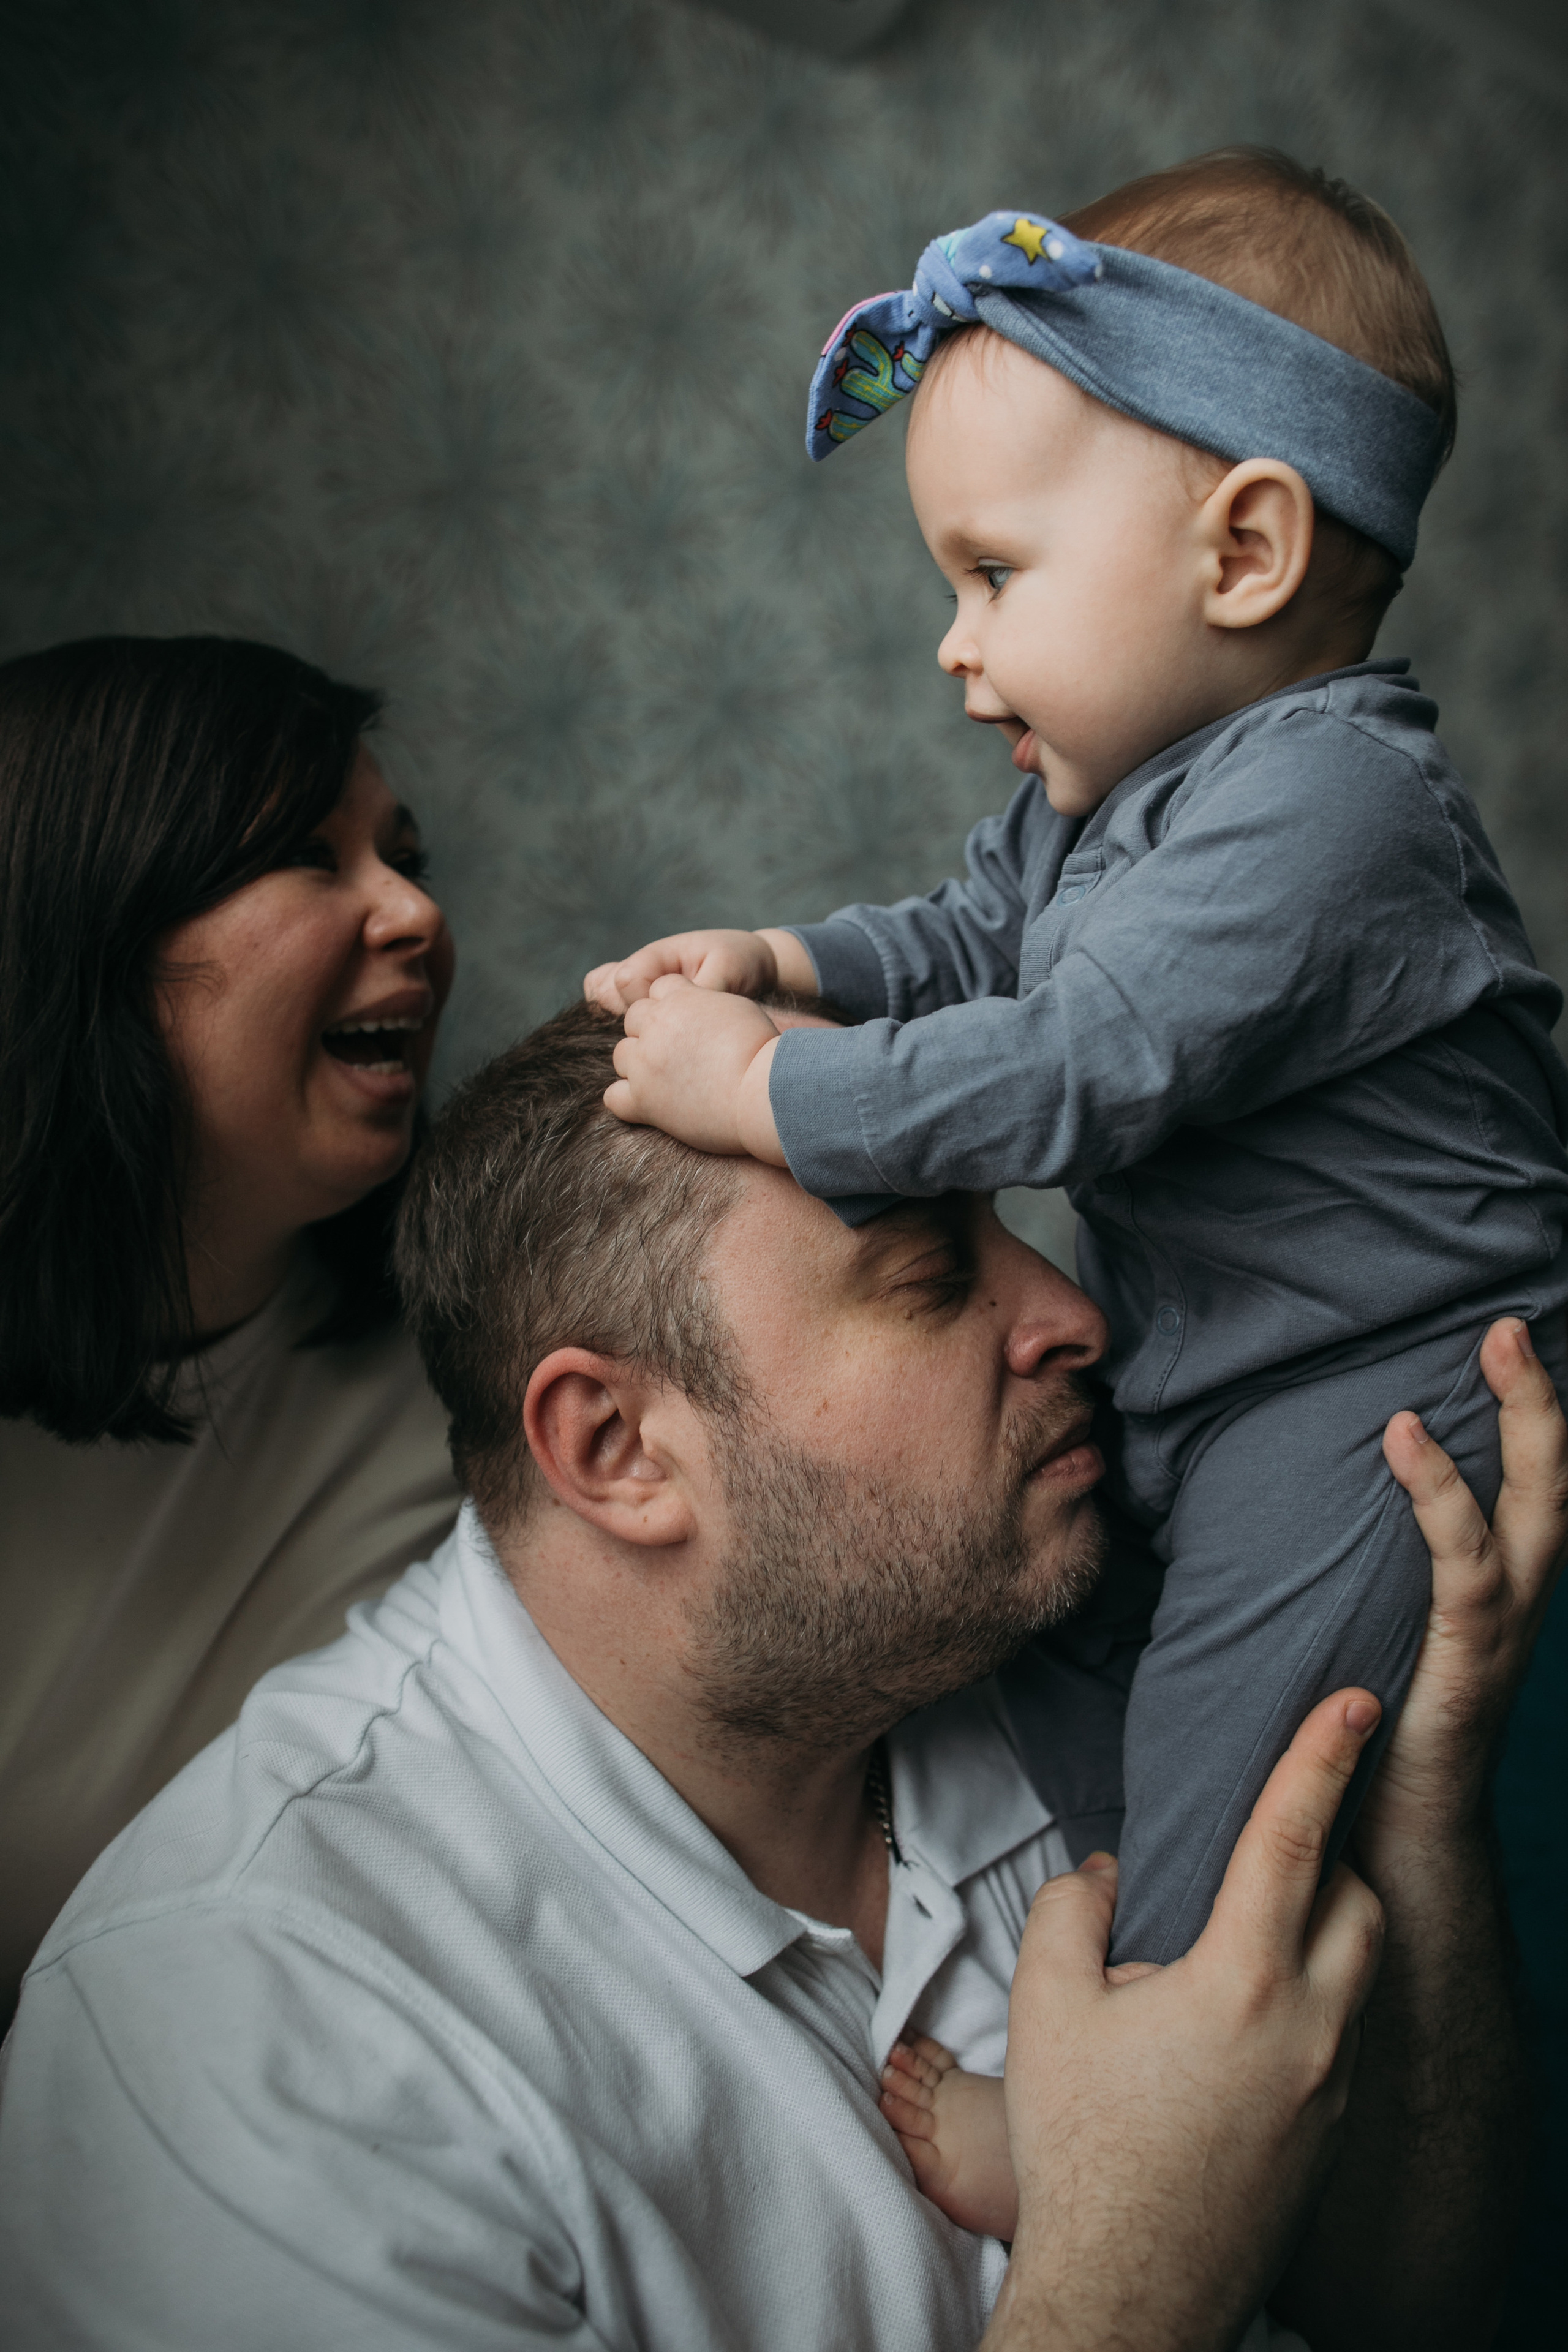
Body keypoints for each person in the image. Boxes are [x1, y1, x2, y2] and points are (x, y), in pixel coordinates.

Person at [0, 1000, 1557, 2352]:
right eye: (927, 1280)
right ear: (616, 1450)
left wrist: (1421, 1801)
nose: (1074, 1316)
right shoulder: (237, 2042)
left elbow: (1411, 2319)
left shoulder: (1083, 1643)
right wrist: (1132, 2272)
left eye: (1011, 1232)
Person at [583, 146, 1568, 1967]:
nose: (956, 649)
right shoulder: (1109, 794)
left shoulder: (1334, 806)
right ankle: (1102, 1932)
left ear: (1247, 551)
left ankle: (1135, 2063)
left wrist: (762, 1087)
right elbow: (969, 941)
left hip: (1376, 1395)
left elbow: (1068, 1068)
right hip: (1202, 1374)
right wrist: (785, 963)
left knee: (1240, 1774)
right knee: (1023, 1633)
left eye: (992, 573)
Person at [0, 634, 461, 2020]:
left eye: (406, 857)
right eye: (315, 859)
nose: (418, 916)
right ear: (92, 935)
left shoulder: (484, 1395)